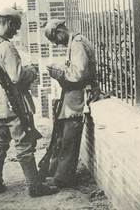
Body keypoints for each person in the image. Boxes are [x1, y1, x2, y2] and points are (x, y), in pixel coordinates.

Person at [0, 8, 58, 197]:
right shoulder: (6, 46)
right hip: (14, 101)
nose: (16, 31)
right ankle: (35, 186)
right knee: (24, 141)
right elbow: (17, 77)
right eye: (16, 26)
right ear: (8, 22)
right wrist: (31, 71)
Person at [43, 19, 99, 188]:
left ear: (60, 31)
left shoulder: (77, 43)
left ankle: (63, 179)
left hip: (80, 95)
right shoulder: (74, 42)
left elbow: (79, 73)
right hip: (74, 94)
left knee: (70, 138)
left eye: (56, 40)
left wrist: (59, 73)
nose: (57, 44)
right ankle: (58, 173)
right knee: (64, 136)